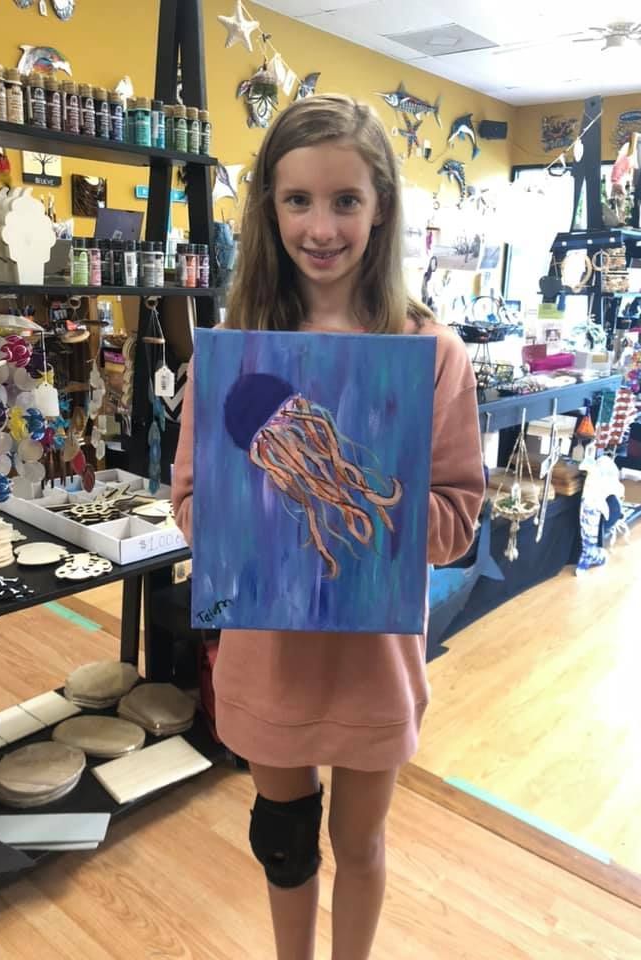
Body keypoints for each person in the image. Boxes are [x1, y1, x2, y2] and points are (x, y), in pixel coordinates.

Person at [173, 94, 484, 960]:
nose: (321, 226)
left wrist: (369, 505)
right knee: (283, 840)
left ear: (380, 205)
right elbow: (193, 501)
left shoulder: (433, 351)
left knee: (362, 844)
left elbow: (458, 516)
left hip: (372, 666)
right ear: (269, 209)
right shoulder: (235, 346)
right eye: (297, 200)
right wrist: (244, 521)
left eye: (345, 199)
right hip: (268, 660)